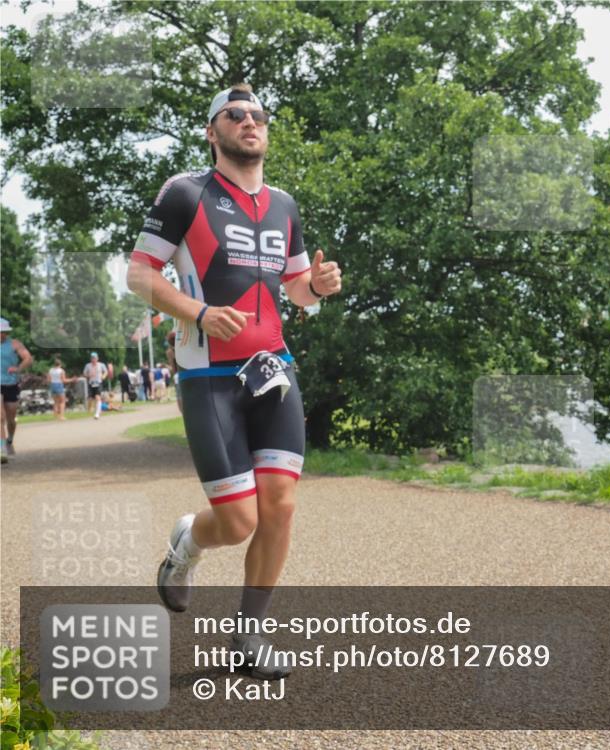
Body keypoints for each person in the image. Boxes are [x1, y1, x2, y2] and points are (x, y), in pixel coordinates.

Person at [126, 83, 341, 680]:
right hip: (209, 375)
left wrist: (317, 288)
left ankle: (249, 636)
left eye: (258, 116)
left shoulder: (285, 205)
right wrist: (196, 313)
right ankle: (186, 543)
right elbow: (139, 275)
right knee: (240, 520)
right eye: (235, 115)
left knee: (281, 506)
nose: (250, 122)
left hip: (273, 368)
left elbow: (296, 289)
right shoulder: (184, 193)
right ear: (212, 130)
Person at [0, 317, 33, 456]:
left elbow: (28, 358)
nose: (2, 334)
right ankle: (1, 449)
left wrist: (18, 368)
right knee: (0, 417)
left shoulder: (14, 344)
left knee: (11, 419)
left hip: (11, 383)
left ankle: (9, 440)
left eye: (4, 332)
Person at [82, 352, 109, 420]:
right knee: (90, 399)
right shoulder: (88, 365)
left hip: (98, 382)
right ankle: (91, 409)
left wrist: (103, 376)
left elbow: (106, 371)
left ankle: (97, 414)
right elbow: (84, 374)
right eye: (92, 358)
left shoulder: (101, 365)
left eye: (94, 358)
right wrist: (89, 375)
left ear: (97, 358)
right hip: (91, 383)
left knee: (97, 397)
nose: (93, 359)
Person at [47, 355, 73, 420]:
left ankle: (55, 416)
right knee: (62, 401)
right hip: (59, 385)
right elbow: (64, 380)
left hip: (52, 385)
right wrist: (72, 379)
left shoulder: (50, 370)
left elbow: (48, 380)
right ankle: (61, 416)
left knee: (56, 402)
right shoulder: (61, 371)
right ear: (60, 364)